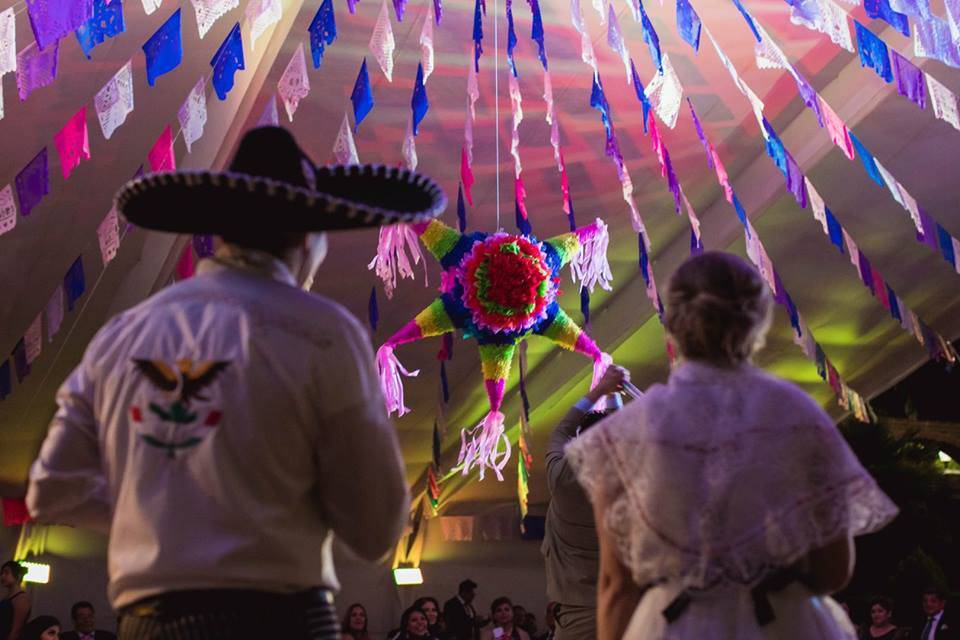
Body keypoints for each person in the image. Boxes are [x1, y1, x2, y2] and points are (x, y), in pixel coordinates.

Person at [26, 126, 447, 639]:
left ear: (221, 231)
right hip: (276, 620)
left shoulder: (121, 335)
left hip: (144, 625)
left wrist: (165, 511)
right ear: (308, 239)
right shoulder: (324, 332)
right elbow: (375, 528)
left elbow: (52, 493)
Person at [566, 251, 900, 640]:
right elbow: (833, 570)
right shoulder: (795, 413)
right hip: (785, 625)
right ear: (756, 322)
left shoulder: (626, 433)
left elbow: (616, 587)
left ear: (671, 324)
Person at [541, 365, 628, 640]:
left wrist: (601, 389)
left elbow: (561, 430)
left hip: (579, 611)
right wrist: (614, 394)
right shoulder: (628, 478)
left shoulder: (562, 478)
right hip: (625, 604)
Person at [0, 560, 30, 640]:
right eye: (2, 573)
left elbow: (15, 631)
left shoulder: (21, 599)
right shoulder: (7, 597)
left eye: (6, 573)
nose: (2, 576)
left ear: (18, 576)